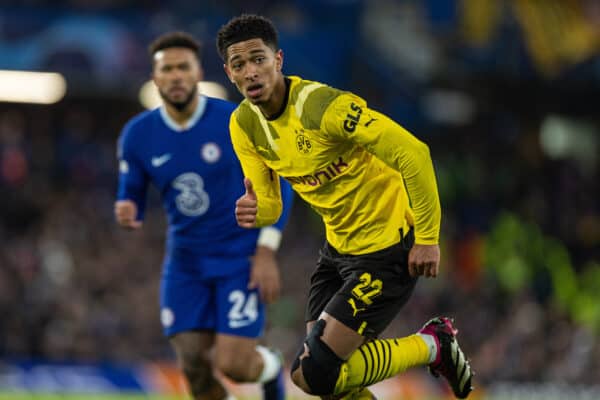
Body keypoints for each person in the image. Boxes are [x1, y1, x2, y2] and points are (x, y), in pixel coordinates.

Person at [216, 15, 474, 400]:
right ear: (229, 72)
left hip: (388, 249)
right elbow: (270, 204)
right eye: (239, 65)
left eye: (259, 59)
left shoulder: (324, 108)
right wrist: (256, 210)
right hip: (338, 252)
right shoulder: (244, 126)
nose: (251, 71)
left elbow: (413, 153)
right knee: (326, 382)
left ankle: (433, 344)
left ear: (278, 60)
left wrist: (428, 237)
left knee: (315, 373)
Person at [114, 31, 293, 400]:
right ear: (155, 76)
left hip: (238, 259)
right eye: (168, 69)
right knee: (193, 367)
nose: (176, 76)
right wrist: (128, 204)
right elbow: (131, 187)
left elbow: (280, 182)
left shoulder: (237, 120)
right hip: (185, 262)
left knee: (234, 365)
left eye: (184, 67)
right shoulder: (137, 135)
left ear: (199, 74)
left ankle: (271, 367)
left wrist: (265, 250)